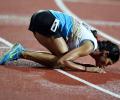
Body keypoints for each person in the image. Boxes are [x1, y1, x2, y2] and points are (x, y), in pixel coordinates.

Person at [0, 10, 119, 73]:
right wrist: (87, 69)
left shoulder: (93, 38)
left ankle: (20, 52)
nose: (105, 66)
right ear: (105, 53)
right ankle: (20, 52)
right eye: (107, 63)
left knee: (62, 58)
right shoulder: (90, 46)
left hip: (40, 18)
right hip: (47, 21)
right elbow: (63, 61)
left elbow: (90, 30)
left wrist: (81, 65)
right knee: (62, 59)